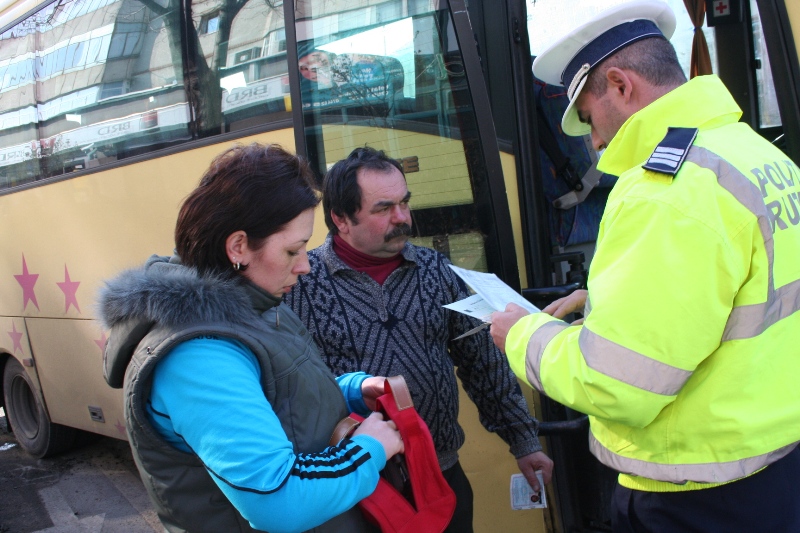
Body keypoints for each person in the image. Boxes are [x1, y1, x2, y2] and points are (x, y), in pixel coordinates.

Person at [489, 1, 800, 531]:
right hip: (773, 462)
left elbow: (617, 385)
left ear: (620, 84)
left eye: (588, 118)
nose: (595, 142)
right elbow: (745, 288)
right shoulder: (750, 152)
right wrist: (610, 298)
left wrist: (521, 335)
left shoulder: (663, 193)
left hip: (697, 491)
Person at [98, 143, 404, 533]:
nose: (306, 265)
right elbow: (278, 502)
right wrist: (370, 449)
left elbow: (278, 398)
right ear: (238, 246)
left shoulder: (254, 304)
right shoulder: (198, 356)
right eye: (293, 249)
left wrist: (352, 390)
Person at [285, 146, 554, 532]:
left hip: (442, 477)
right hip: (356, 489)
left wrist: (524, 441)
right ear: (341, 219)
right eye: (383, 209)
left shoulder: (436, 271)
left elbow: (481, 363)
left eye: (404, 203)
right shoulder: (301, 284)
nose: (402, 218)